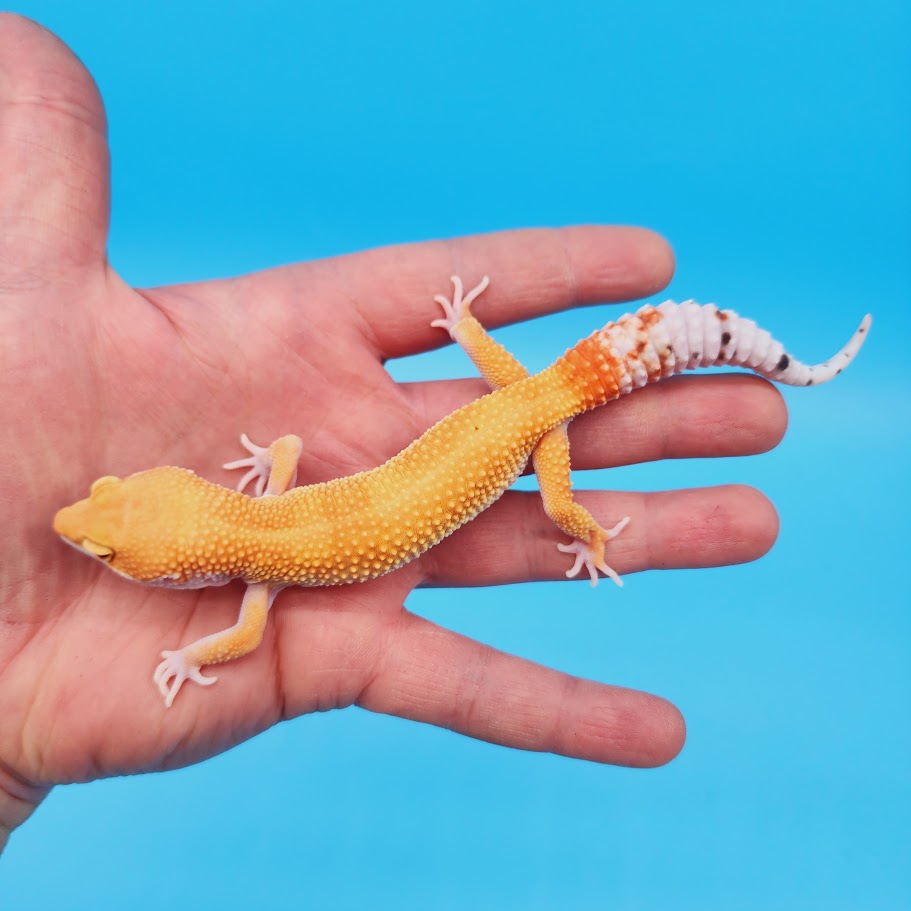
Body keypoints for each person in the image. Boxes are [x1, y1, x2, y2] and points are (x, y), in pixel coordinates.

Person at [0, 13, 784, 852]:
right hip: (515, 401)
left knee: (561, 513)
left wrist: (193, 660)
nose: (80, 527)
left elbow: (243, 631)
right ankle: (715, 360)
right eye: (110, 533)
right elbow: (284, 476)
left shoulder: (256, 568)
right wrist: (456, 335)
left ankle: (599, 520)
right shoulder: (264, 522)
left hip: (535, 425)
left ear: (189, 553)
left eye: (108, 539)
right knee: (543, 431)